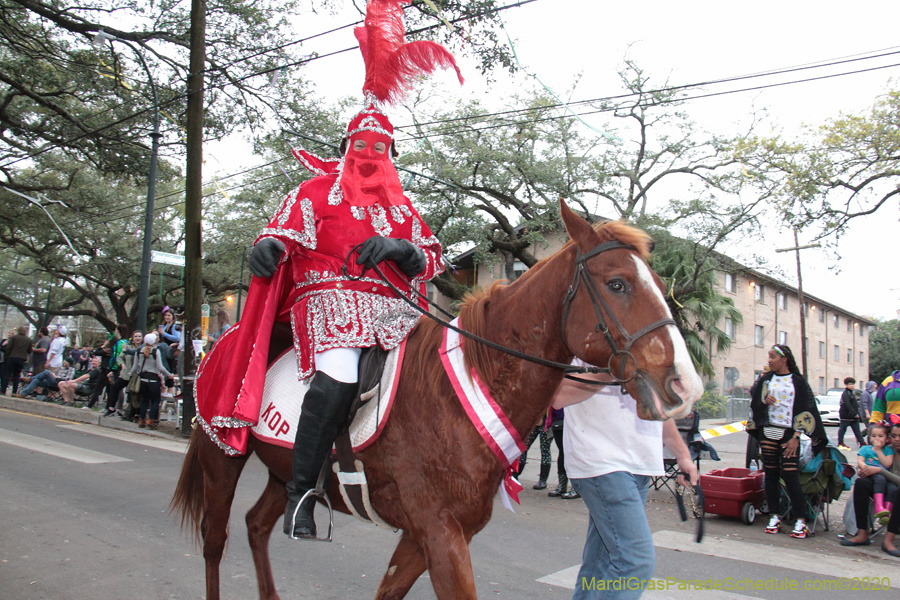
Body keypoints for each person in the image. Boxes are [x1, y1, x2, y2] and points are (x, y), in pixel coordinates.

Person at [195, 0, 461, 542]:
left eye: (380, 148)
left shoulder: (403, 207)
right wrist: (266, 248)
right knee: (340, 370)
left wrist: (404, 252)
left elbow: (430, 256)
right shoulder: (314, 192)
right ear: (344, 149)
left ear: (391, 154)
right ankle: (302, 494)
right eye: (360, 146)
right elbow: (278, 233)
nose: (370, 154)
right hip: (329, 302)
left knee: (443, 361)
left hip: (393, 307)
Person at [552, 365, 698, 600]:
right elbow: (558, 396)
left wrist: (682, 455)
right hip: (603, 464)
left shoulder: (641, 348)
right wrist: (614, 369)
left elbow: (659, 410)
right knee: (635, 561)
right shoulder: (581, 345)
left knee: (601, 563)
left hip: (638, 466)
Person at [746, 344, 827, 539]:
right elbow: (755, 400)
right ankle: (774, 516)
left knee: (790, 476)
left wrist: (796, 437)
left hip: (789, 435)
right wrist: (764, 399)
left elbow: (806, 410)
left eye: (773, 357)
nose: (769, 360)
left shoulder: (798, 382)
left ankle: (801, 521)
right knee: (771, 475)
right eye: (769, 357)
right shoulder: (765, 379)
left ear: (785, 359)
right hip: (768, 432)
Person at [841, 423, 900, 556]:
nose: (897, 439)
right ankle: (862, 533)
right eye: (894, 436)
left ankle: (888, 540)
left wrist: (879, 470)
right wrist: (864, 470)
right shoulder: (886, 449)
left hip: (896, 491)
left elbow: (882, 470)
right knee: (862, 483)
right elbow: (868, 460)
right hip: (883, 487)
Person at [129, 332, 171, 429]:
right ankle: (151, 420)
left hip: (143, 378)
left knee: (144, 400)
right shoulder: (155, 351)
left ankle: (142, 419)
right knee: (156, 400)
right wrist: (169, 375)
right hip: (153, 379)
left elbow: (135, 367)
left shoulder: (139, 350)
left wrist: (130, 375)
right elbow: (160, 367)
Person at [856, 424, 895, 517]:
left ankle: (886, 513)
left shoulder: (888, 450)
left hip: (884, 475)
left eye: (880, 436)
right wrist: (864, 467)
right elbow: (860, 461)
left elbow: (887, 464)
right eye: (873, 436)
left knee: (893, 488)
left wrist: (878, 451)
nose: (876, 439)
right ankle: (879, 507)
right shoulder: (865, 449)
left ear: (887, 439)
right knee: (880, 479)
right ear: (869, 438)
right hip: (870, 474)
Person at [103, 330, 141, 418]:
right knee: (115, 387)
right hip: (126, 374)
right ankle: (111, 408)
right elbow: (120, 357)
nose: (137, 338)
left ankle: (131, 413)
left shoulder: (143, 348)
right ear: (133, 338)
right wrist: (122, 365)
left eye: (139, 336)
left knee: (133, 394)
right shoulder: (127, 347)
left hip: (136, 376)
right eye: (136, 336)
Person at [517, 415, 554, 490]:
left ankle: (542, 480)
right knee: (523, 447)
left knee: (545, 449)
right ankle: (515, 475)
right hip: (534, 421)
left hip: (547, 422)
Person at [1, 326, 32, 396]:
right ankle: (14, 392)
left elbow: (8, 348)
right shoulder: (28, 340)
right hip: (21, 359)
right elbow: (29, 350)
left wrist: (7, 355)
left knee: (7, 374)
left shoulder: (13, 338)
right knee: (17, 375)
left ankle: (3, 390)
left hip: (12, 357)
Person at [838, 377, 865, 450]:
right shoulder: (845, 393)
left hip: (853, 417)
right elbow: (847, 405)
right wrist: (854, 413)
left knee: (857, 430)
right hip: (846, 416)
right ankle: (840, 443)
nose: (851, 386)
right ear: (846, 385)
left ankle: (862, 443)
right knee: (842, 429)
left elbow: (854, 405)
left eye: (852, 384)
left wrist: (857, 413)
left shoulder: (852, 393)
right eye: (850, 384)